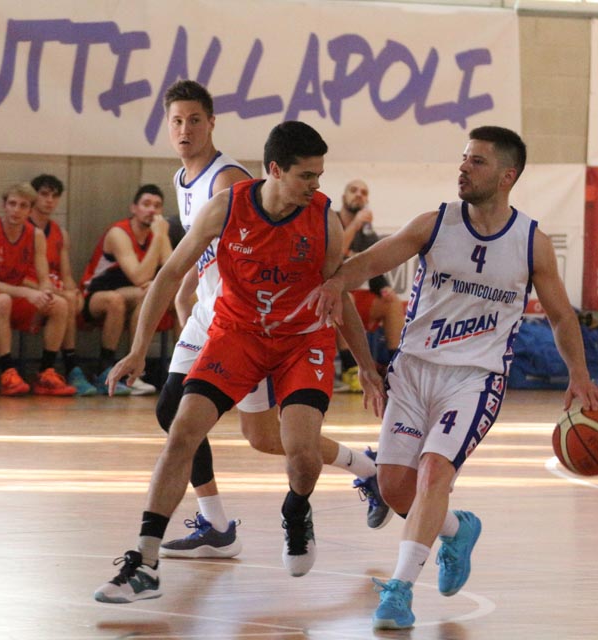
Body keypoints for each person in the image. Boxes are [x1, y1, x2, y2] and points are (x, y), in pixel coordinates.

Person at [310, 126, 598, 630]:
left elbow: (561, 316)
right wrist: (337, 279)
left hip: (474, 379)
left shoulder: (531, 243)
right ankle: (457, 529)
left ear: (507, 176)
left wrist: (578, 375)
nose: (464, 167)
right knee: (395, 487)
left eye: (477, 161)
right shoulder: (435, 223)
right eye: (464, 158)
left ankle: (400, 590)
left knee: (434, 474)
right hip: (412, 371)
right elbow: (373, 259)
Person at [93, 120, 385, 604]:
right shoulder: (227, 207)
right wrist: (139, 348)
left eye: (319, 175)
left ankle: (296, 509)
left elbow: (341, 297)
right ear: (275, 170)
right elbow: (170, 275)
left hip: (301, 340)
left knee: (300, 454)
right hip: (238, 335)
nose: (316, 185)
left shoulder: (324, 219)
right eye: (307, 176)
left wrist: (368, 367)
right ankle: (144, 563)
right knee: (182, 429)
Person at [156, 81, 390, 563]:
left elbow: (256, 249)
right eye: (177, 120)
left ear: (211, 123)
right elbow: (203, 253)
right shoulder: (184, 178)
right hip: (215, 314)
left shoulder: (227, 182)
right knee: (210, 422)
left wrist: (366, 364)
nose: (185, 129)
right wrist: (186, 293)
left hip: (247, 318)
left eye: (194, 120)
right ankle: (217, 523)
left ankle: (362, 471)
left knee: (262, 436)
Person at [0, 183, 77, 396]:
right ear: (4, 205)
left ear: (30, 210)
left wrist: (45, 293)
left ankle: (46, 373)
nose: (16, 210)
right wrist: (28, 293)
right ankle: (7, 372)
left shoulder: (36, 235)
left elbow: (44, 278)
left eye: (23, 206)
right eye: (12, 204)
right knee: (3, 300)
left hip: (12, 294)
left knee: (60, 304)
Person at [79, 184, 172, 396]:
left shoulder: (159, 233)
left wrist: (156, 283)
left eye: (157, 206)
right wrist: (159, 238)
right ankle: (106, 369)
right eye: (146, 204)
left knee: (174, 296)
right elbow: (139, 277)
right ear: (134, 208)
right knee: (117, 301)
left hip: (134, 292)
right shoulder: (119, 233)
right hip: (96, 294)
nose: (152, 210)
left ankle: (180, 368)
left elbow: (172, 271)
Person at [28, 174, 97, 396]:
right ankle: (67, 366)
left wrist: (72, 290)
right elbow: (17, 273)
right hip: (29, 290)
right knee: (64, 301)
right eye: (44, 194)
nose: (50, 200)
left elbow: (66, 274)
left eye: (55, 196)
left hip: (54, 291)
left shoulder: (60, 233)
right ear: (33, 196)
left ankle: (64, 369)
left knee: (71, 298)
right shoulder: (24, 228)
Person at [334, 179, 406, 391]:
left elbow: (373, 267)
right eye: (353, 190)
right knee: (345, 297)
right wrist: (355, 224)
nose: (359, 194)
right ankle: (349, 368)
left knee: (392, 302)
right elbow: (335, 255)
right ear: (343, 197)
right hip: (327, 297)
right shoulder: (331, 221)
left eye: (363, 192)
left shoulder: (366, 232)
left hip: (353, 296)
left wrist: (383, 288)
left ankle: (395, 367)